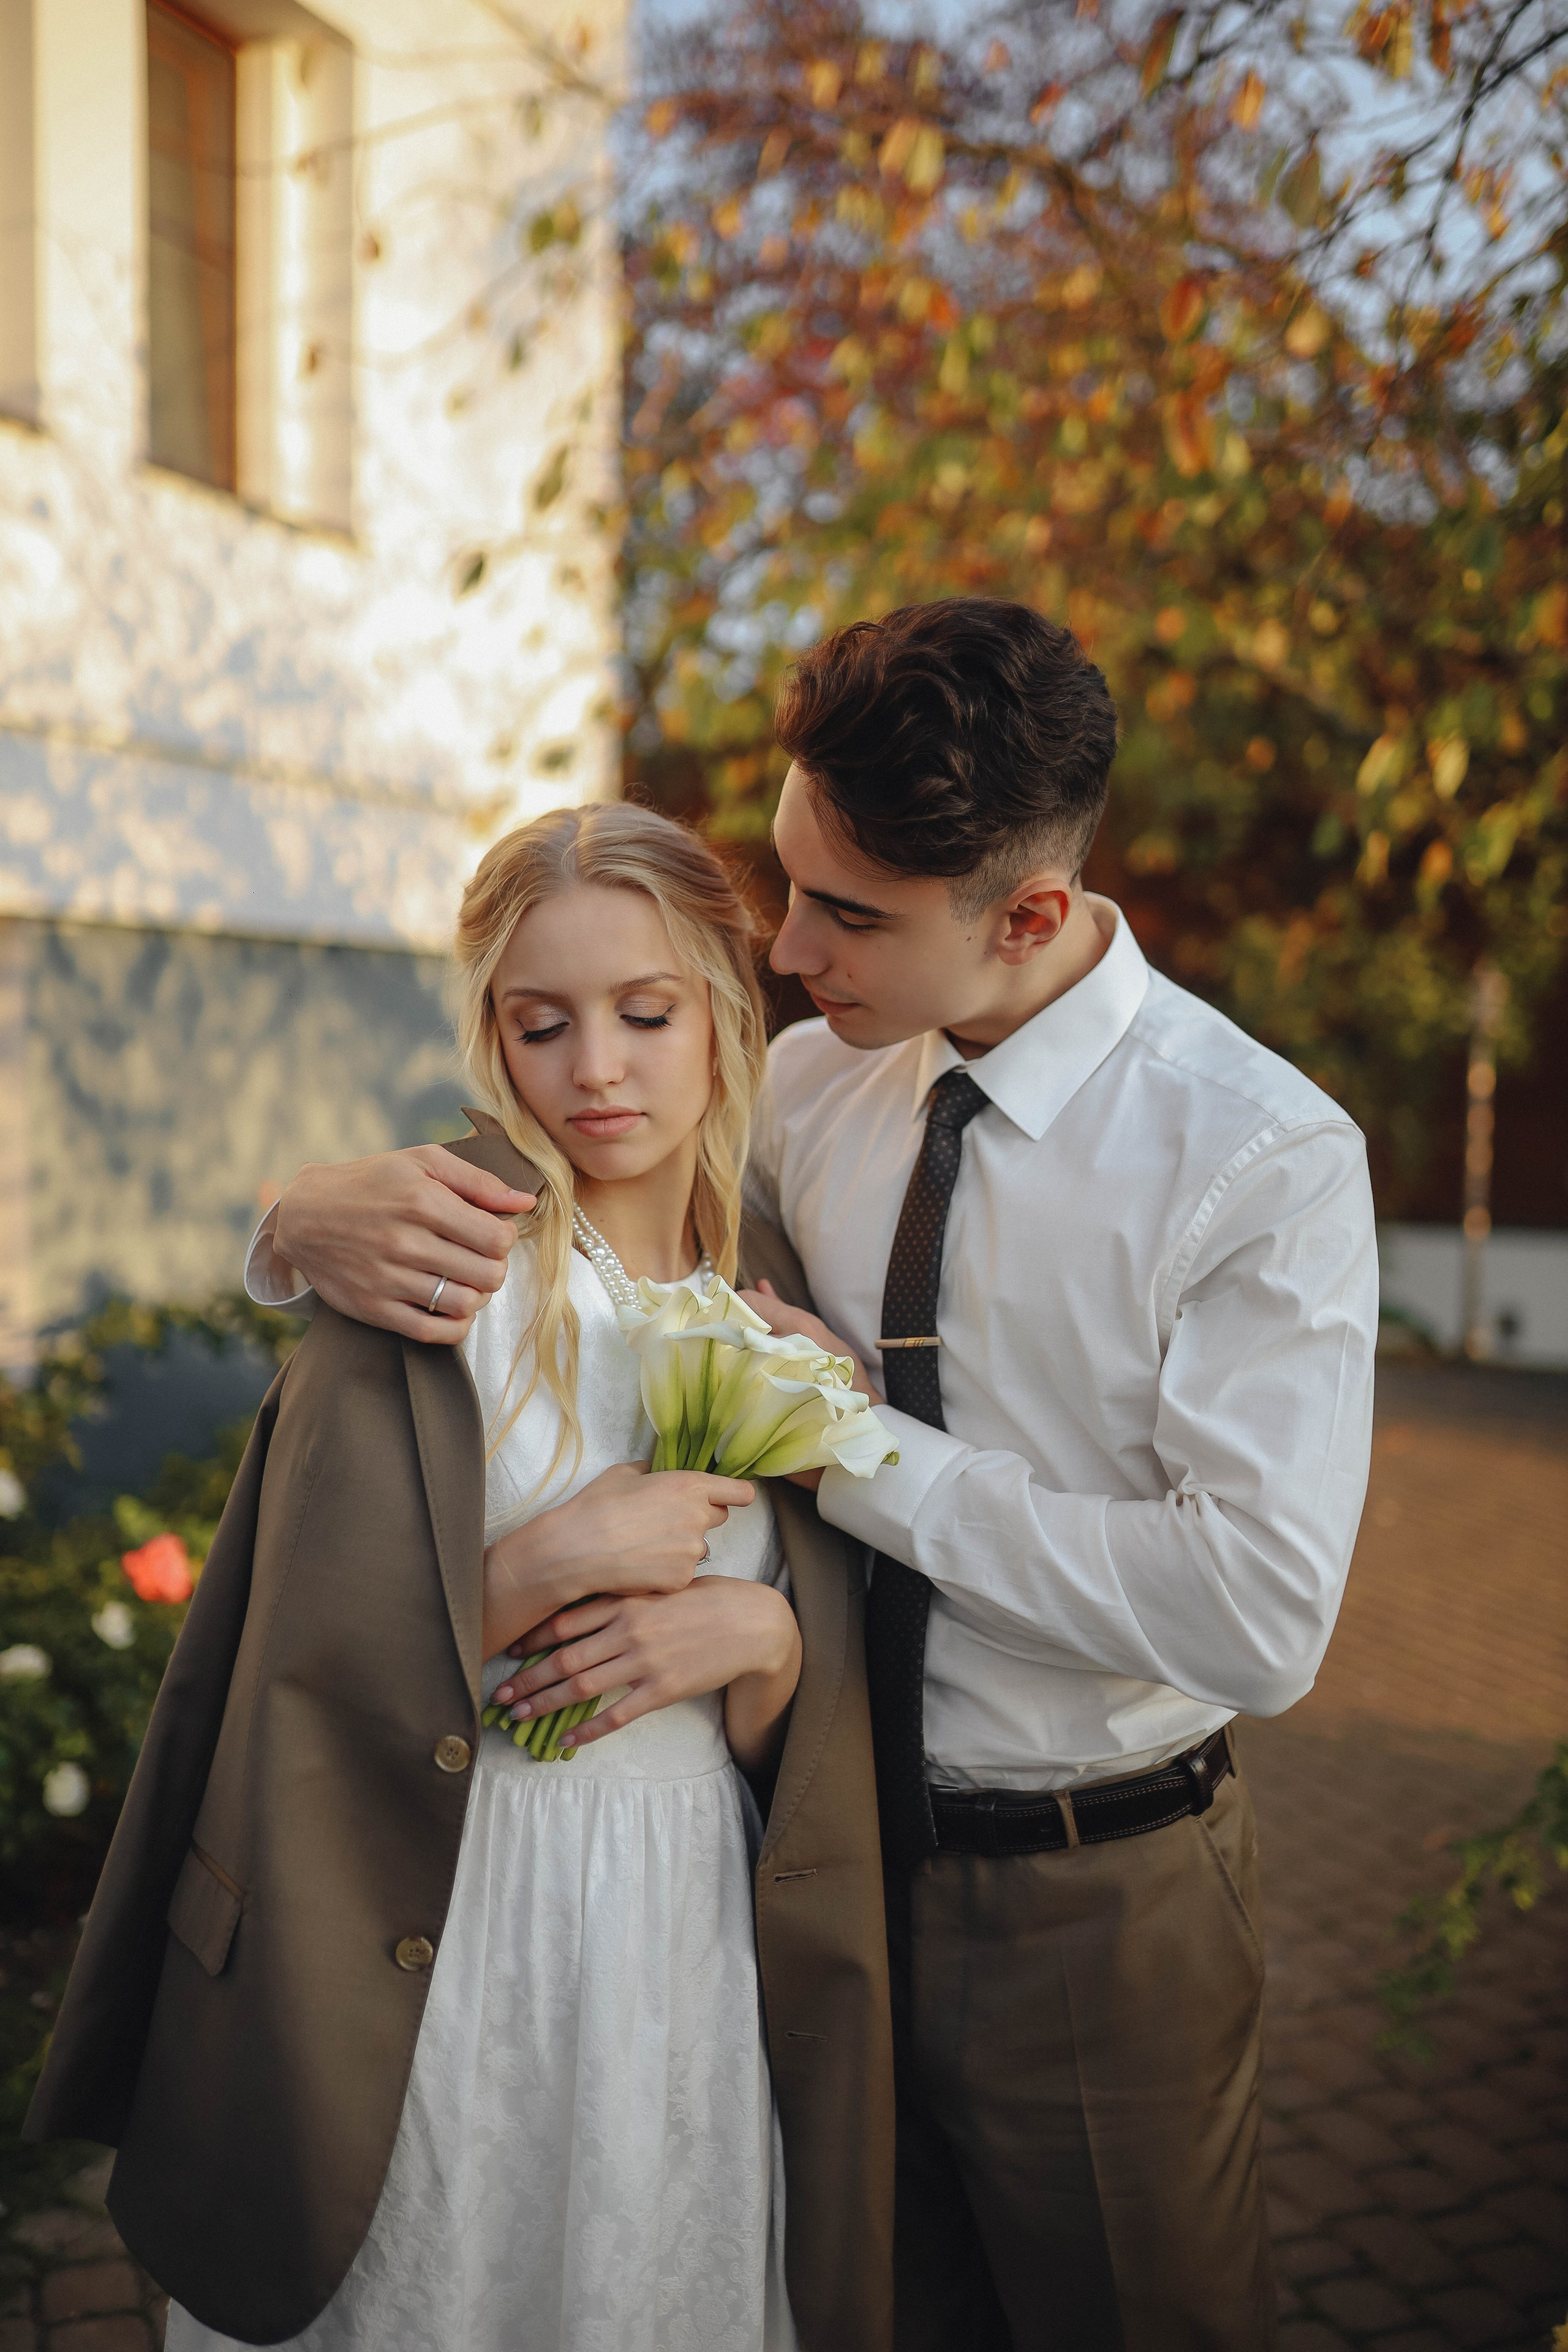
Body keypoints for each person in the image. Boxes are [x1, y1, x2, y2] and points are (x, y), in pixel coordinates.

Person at [209, 601, 1380, 2350]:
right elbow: (584, 1230)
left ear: (1033, 915)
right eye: (787, 877)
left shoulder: (1254, 1159)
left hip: (1086, 1890)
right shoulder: (817, 1088)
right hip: (800, 1866)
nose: (783, 943)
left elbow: (1261, 1618)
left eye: (846, 914)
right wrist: (288, 1221)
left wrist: (852, 1463)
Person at [27, 806, 894, 2352]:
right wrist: (533, 1565)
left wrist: (757, 1642)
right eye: (540, 1023)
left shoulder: (777, 1303)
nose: (598, 1070)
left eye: (645, 1012)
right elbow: (283, 1664)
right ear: (492, 1034)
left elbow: (808, 1740)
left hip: (672, 1939)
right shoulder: (436, 1273)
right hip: (435, 1910)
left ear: (720, 1004)